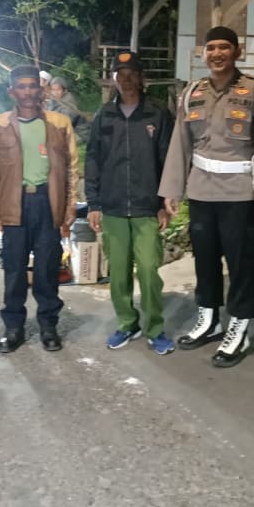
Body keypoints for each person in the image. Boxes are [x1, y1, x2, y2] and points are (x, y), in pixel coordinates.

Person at [159, 26, 254, 368]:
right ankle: (209, 318)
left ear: (237, 51)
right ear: (203, 53)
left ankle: (239, 326)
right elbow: (180, 143)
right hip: (202, 190)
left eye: (224, 47)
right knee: (205, 259)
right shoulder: (192, 92)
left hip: (240, 192)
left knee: (242, 263)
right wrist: (172, 189)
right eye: (211, 47)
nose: (217, 54)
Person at [0, 65, 78, 353]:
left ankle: (48, 326)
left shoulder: (60, 123)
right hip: (14, 203)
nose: (28, 92)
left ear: (41, 89)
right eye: (21, 86)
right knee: (14, 269)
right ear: (12, 91)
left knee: (47, 267)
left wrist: (70, 206)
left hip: (49, 203)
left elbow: (72, 169)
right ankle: (14, 327)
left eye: (32, 86)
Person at [85, 51, 176, 355]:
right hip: (111, 207)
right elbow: (93, 159)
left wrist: (164, 202)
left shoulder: (157, 113)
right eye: (119, 75)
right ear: (113, 79)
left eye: (131, 74)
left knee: (149, 269)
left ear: (141, 77)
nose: (125, 80)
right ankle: (127, 323)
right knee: (118, 273)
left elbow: (168, 159)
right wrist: (94, 203)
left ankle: (155, 328)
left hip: (146, 207)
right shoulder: (104, 115)